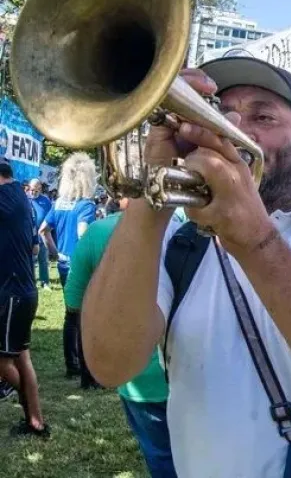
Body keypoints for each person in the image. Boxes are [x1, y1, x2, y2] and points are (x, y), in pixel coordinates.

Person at [81, 58, 291, 478]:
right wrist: (151, 193)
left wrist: (255, 239)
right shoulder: (174, 247)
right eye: (221, 113)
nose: (236, 128)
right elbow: (108, 363)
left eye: (263, 116)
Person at [65, 195, 176, 476]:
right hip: (186, 372)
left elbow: (73, 301)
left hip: (139, 381)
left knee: (162, 460)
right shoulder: (181, 224)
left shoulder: (95, 232)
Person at [40, 152, 98, 378]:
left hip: (64, 264)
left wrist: (55, 252)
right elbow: (83, 233)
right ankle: (86, 369)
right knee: (85, 316)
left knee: (70, 315)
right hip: (81, 266)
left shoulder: (59, 203)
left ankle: (71, 365)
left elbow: (43, 230)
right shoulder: (86, 205)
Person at [0, 161, 48, 436]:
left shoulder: (5, 197)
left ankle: (28, 403)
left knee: (3, 362)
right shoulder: (19, 194)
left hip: (13, 293)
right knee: (21, 358)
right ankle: (36, 421)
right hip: (22, 291)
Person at [26, 181, 51, 290]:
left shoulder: (46, 200)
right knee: (29, 260)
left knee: (43, 259)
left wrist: (48, 230)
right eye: (32, 190)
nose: (33, 192)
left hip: (42, 235)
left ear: (40, 189)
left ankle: (45, 282)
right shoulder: (25, 199)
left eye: (36, 190)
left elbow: (51, 216)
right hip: (28, 236)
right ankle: (31, 282)